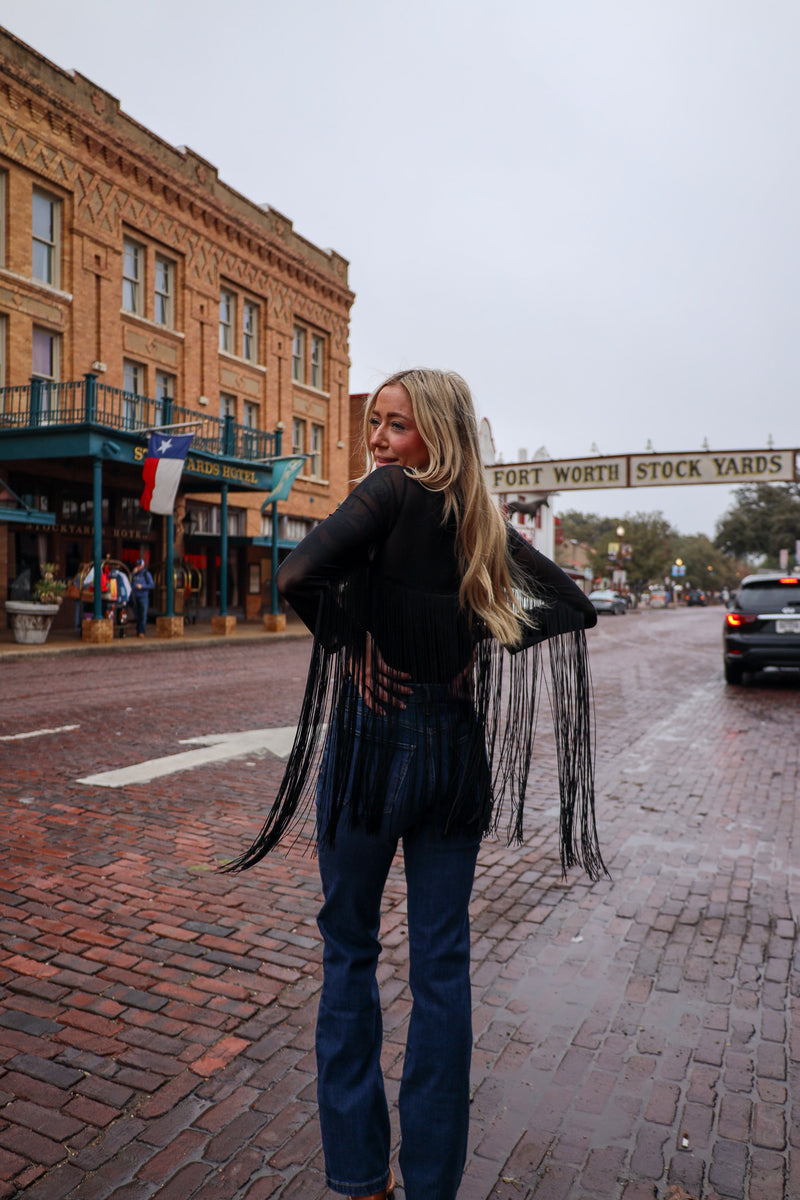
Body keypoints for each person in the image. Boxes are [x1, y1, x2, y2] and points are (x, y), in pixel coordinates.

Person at [226, 368, 604, 1200]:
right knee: (441, 967)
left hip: (370, 751)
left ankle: (361, 1177)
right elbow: (575, 605)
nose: (379, 440)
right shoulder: (479, 522)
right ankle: (431, 1183)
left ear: (435, 435)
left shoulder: (390, 493)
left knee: (349, 953)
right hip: (452, 753)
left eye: (396, 426)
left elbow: (297, 577)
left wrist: (354, 645)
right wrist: (471, 637)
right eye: (377, 425)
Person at [131, 558, 154, 637]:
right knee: (137, 614)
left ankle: (142, 631)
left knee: (143, 614)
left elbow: (151, 585)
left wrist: (142, 586)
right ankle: (138, 630)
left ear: (143, 566)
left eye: (140, 565)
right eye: (137, 565)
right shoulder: (135, 574)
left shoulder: (146, 574)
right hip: (135, 596)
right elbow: (130, 581)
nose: (138, 567)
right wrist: (132, 574)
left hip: (143, 596)